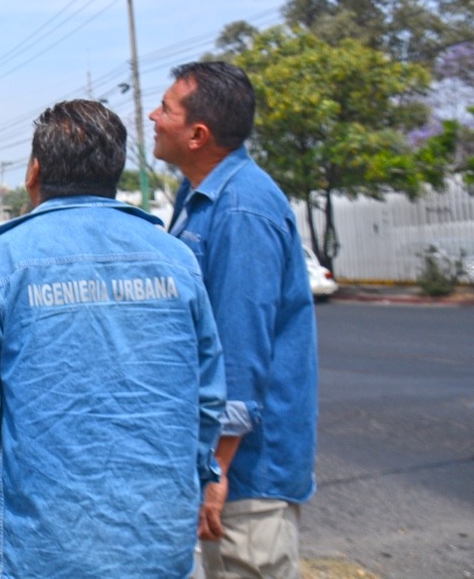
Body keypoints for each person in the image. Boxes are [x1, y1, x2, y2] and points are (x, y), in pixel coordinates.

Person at [0, 99, 225, 579]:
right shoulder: (177, 261)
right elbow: (207, 397)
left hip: (40, 550)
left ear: (35, 172)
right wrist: (196, 478)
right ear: (114, 171)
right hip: (158, 543)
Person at [150, 61, 318, 579]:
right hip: (217, 462)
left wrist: (217, 469)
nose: (153, 116)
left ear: (198, 135)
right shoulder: (200, 195)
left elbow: (241, 348)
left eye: (166, 109)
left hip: (245, 476)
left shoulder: (243, 207)